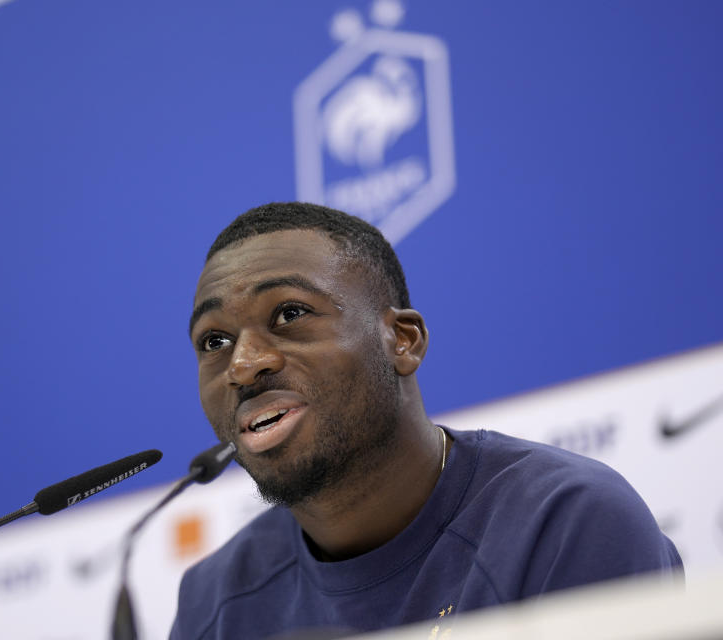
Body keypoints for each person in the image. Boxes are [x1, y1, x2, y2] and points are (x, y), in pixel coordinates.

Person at [172, 202, 682, 640]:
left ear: (403, 341)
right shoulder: (216, 601)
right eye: (214, 342)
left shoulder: (564, 522)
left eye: (289, 314)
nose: (243, 365)